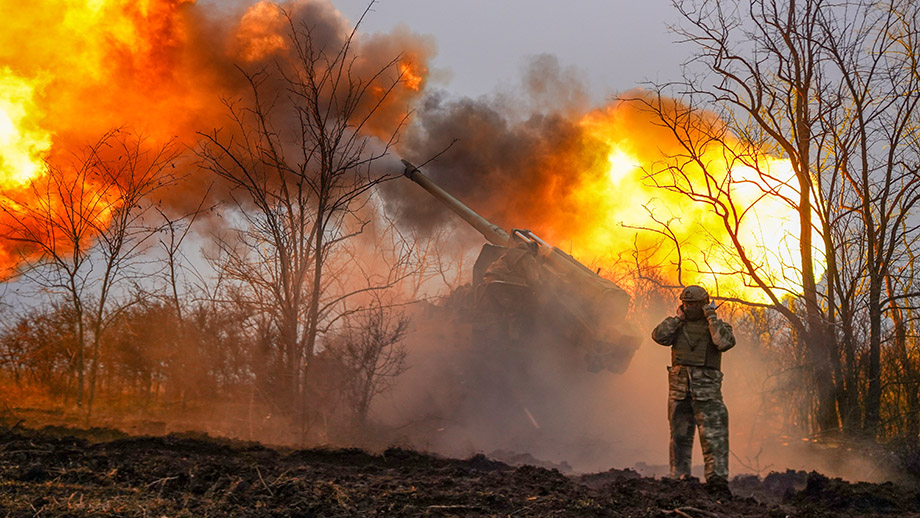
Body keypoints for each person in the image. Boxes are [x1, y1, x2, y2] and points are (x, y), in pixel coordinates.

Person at [652, 285, 735, 495]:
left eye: (694, 304)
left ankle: (717, 483)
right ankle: (679, 478)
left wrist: (711, 318)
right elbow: (658, 336)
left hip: (707, 394)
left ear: (704, 305)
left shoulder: (717, 326)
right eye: (686, 304)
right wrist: (677, 319)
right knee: (679, 438)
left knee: (714, 439)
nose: (689, 308)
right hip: (679, 392)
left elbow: (723, 342)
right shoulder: (676, 326)